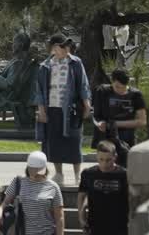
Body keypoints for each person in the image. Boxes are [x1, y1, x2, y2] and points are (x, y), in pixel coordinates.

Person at [34, 34, 91, 185]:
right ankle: (59, 174)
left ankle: (77, 175)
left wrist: (87, 104)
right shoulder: (45, 66)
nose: (67, 49)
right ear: (54, 48)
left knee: (74, 140)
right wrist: (42, 111)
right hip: (52, 108)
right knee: (54, 142)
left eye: (67, 46)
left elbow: (83, 84)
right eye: (63, 46)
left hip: (71, 109)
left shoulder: (75, 63)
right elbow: (39, 91)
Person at [0, 150, 65, 235]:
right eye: (31, 168)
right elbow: (4, 203)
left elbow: (59, 218)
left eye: (37, 169)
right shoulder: (18, 181)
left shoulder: (53, 187)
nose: (34, 172)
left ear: (44, 168)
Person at [91, 68, 146, 168]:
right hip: (106, 137)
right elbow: (96, 116)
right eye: (117, 87)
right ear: (112, 82)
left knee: (125, 167)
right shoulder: (102, 91)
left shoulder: (136, 95)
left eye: (123, 87)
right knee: (106, 166)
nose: (120, 90)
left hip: (126, 138)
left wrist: (115, 124)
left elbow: (142, 121)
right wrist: (100, 123)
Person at [78, 140, 127, 235]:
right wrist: (81, 217)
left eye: (108, 160)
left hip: (119, 224)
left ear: (115, 157)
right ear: (96, 156)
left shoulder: (124, 174)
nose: (104, 164)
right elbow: (81, 195)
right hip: (95, 223)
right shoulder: (88, 173)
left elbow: (131, 197)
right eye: (101, 159)